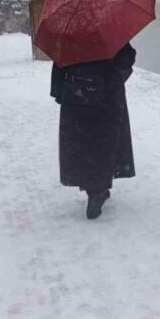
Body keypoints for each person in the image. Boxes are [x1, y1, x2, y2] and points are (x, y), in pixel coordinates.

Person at [50, 44, 136, 220]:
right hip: (108, 97)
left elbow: (59, 65)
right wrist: (114, 76)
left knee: (82, 144)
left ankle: (93, 188)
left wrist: (60, 92)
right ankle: (99, 189)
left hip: (77, 96)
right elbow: (127, 59)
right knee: (105, 144)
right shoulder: (109, 34)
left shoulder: (70, 37)